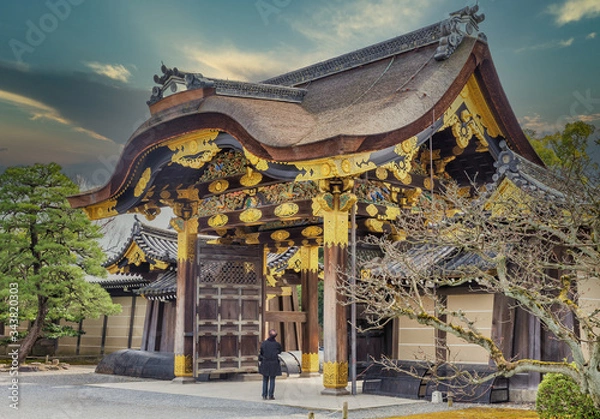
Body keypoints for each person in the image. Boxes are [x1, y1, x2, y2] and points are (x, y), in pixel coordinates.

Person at [259, 329, 282, 400]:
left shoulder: (264, 343)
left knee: (265, 379)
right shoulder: (277, 344)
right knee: (272, 379)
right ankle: (271, 395)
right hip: (274, 362)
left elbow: (261, 352)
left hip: (265, 362)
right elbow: (280, 351)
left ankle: (264, 395)